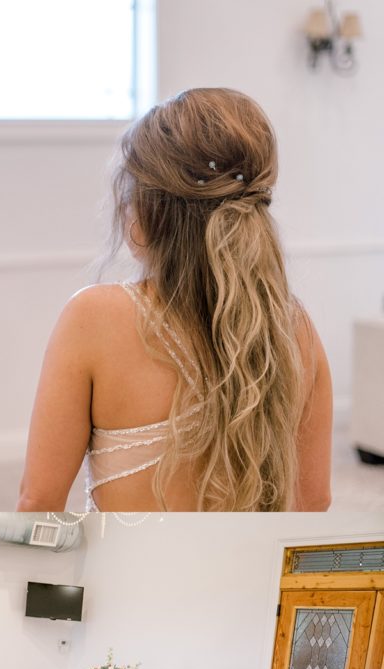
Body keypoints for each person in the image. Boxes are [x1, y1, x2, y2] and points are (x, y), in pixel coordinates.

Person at [18, 88, 332, 512]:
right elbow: (311, 505)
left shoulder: (94, 318)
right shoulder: (294, 329)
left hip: (131, 580)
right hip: (248, 579)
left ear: (144, 212)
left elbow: (39, 503)